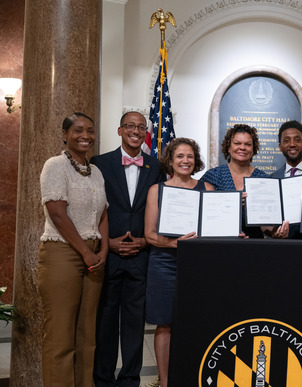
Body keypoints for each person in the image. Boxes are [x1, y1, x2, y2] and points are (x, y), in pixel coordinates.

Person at [90, 112, 164, 387]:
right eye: (130, 126)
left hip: (142, 256)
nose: (135, 130)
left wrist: (147, 239)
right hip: (108, 254)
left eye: (141, 127)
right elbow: (93, 208)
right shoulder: (100, 163)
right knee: (105, 321)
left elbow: (161, 207)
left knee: (134, 324)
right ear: (120, 129)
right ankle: (103, 379)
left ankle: (131, 378)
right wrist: (107, 242)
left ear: (146, 132)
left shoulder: (156, 166)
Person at [38, 112, 108, 386]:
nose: (85, 136)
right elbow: (57, 213)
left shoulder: (96, 171)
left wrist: (103, 250)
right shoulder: (55, 166)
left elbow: (103, 214)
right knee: (60, 336)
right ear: (65, 134)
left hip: (94, 255)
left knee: (86, 336)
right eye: (78, 130)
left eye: (90, 131)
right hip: (63, 253)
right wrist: (86, 252)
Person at [144, 138, 212, 387]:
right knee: (165, 324)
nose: (185, 161)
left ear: (196, 161)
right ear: (170, 160)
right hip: (164, 264)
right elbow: (150, 234)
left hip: (197, 266)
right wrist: (175, 243)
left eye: (190, 156)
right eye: (180, 156)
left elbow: (212, 230)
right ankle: (164, 382)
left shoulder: (208, 189)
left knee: (197, 321)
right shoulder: (157, 190)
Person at [200, 124, 288, 238]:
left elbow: (265, 224)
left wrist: (275, 233)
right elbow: (203, 215)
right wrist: (231, 205)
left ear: (253, 149)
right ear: (228, 147)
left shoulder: (264, 179)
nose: (242, 147)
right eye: (237, 143)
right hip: (220, 245)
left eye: (248, 144)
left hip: (253, 245)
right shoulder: (212, 176)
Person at [269, 120, 302, 239]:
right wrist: (274, 232)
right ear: (280, 147)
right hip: (282, 247)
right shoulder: (272, 179)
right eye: (286, 141)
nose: (292, 144)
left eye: (297, 140)